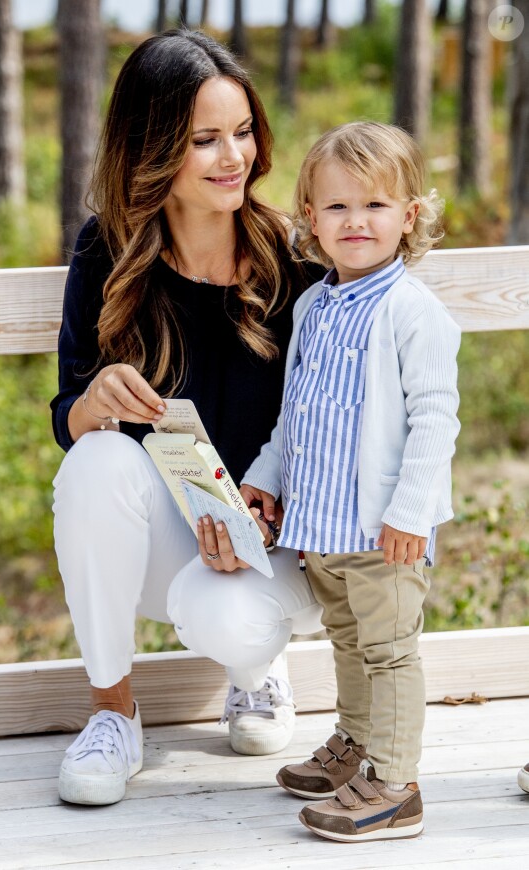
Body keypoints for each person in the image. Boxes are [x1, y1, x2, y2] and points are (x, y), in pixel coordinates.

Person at [50, 29, 323, 807]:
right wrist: (89, 406)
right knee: (95, 461)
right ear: (154, 146)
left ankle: (257, 669)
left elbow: (332, 420)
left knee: (236, 622)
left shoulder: (294, 262)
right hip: (165, 543)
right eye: (205, 139)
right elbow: (65, 411)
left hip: (277, 545)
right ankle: (113, 716)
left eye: (241, 132)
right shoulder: (107, 252)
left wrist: (273, 515)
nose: (233, 156)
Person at [237, 121, 461, 842]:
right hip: (323, 526)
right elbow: (292, 419)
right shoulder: (313, 307)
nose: (356, 221)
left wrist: (410, 514)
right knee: (347, 640)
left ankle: (395, 786)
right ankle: (355, 747)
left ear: (410, 216)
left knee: (390, 650)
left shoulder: (412, 313)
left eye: (376, 205)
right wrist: (264, 479)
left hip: (383, 528)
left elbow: (434, 422)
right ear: (311, 219)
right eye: (337, 207)